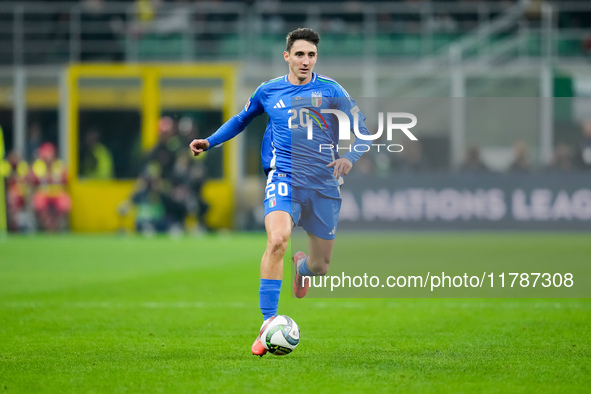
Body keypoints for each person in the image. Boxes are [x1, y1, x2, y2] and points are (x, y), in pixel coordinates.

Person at [189, 28, 370, 357]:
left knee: (321, 266)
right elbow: (241, 119)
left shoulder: (331, 90)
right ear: (287, 56)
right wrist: (210, 141)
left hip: (322, 183)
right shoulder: (268, 90)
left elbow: (364, 130)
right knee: (276, 241)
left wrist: (348, 157)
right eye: (299, 54)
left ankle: (301, 269)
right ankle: (268, 324)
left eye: (311, 55)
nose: (305, 60)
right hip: (282, 175)